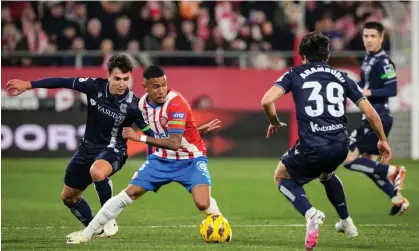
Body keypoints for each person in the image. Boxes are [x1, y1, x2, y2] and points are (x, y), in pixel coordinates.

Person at [6, 55, 221, 239]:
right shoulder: (93, 86)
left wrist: (191, 135)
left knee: (98, 172)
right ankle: (96, 228)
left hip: (114, 150)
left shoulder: (135, 106)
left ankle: (110, 220)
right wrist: (29, 85)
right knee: (69, 197)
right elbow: (62, 81)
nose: (122, 83)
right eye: (117, 78)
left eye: (126, 79)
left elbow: (156, 136)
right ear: (108, 75)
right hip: (86, 149)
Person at [66, 65, 230, 244]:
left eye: (164, 85)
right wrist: (195, 132)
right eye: (156, 86)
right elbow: (163, 133)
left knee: (203, 204)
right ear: (145, 87)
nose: (161, 90)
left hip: (189, 160)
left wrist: (140, 138)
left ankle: (222, 227)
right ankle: (86, 234)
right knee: (129, 194)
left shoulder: (176, 103)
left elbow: (174, 143)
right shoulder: (142, 104)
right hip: (160, 159)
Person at [261, 32, 392, 250]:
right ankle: (347, 223)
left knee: (281, 176)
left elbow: (266, 100)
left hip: (312, 146)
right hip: (341, 146)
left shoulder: (295, 73)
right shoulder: (342, 77)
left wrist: (274, 121)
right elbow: (371, 114)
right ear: (327, 56)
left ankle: (311, 213)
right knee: (327, 173)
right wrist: (382, 140)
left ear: (302, 56)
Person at [343, 21, 409, 216]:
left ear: (381, 38)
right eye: (366, 36)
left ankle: (394, 171)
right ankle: (397, 199)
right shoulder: (368, 59)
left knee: (348, 159)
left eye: (373, 36)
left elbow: (392, 89)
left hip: (378, 115)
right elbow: (363, 84)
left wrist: (366, 91)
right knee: (369, 165)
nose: (369, 40)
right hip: (371, 115)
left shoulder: (384, 61)